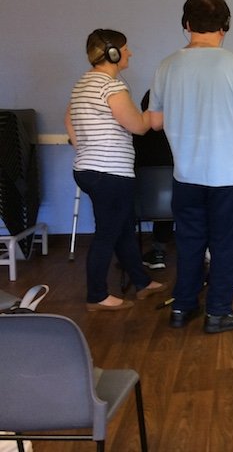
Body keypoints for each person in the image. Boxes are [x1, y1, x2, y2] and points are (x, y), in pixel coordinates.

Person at [149, 0, 233, 333]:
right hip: (229, 176)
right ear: (226, 25)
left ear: (186, 24)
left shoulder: (166, 66)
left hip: (186, 174)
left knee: (190, 242)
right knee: (227, 244)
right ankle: (218, 312)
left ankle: (183, 307)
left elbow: (155, 122)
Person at [65, 29, 167, 311]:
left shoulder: (83, 83)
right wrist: (156, 106)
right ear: (112, 53)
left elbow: (69, 120)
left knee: (121, 228)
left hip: (89, 169)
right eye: (126, 48)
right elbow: (139, 126)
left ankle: (142, 282)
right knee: (107, 234)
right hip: (110, 173)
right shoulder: (111, 87)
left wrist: (85, 146)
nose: (130, 52)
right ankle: (96, 296)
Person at [132, 90, 173, 270]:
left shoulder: (134, 133)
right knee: (171, 194)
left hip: (141, 203)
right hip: (174, 204)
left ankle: (129, 256)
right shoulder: (178, 134)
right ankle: (158, 250)